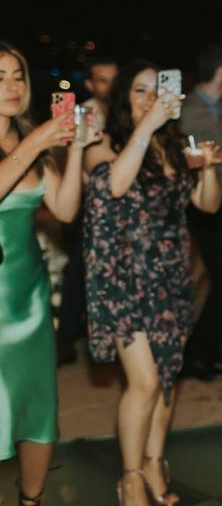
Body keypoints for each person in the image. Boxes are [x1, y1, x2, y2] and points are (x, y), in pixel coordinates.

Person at [83, 61, 222, 506]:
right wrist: (147, 125)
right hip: (123, 283)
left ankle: (156, 464)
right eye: (139, 91)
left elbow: (209, 205)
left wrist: (208, 168)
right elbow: (118, 185)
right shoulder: (103, 145)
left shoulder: (171, 147)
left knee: (165, 382)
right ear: (125, 97)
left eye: (155, 90)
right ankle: (130, 478)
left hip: (170, 278)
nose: (148, 98)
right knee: (142, 383)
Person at [0, 41, 93, 506]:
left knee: (36, 410)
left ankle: (30, 501)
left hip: (27, 300)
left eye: (18, 76)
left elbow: (65, 207)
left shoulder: (30, 142)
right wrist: (38, 140)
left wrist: (75, 148)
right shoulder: (31, 143)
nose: (12, 87)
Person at [178, 44, 222, 381]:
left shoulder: (216, 105)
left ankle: (204, 347)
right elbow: (186, 157)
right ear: (221, 68)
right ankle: (198, 356)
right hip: (207, 206)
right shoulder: (192, 110)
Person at [57, 55, 119, 365]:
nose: (110, 86)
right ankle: (67, 338)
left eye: (113, 79)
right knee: (79, 270)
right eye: (103, 80)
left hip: (117, 203)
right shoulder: (88, 113)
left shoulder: (121, 111)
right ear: (92, 84)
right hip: (86, 202)